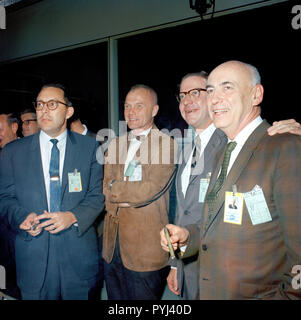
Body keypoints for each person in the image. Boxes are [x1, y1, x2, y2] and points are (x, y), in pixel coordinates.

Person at [161, 61, 301, 299]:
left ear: (256, 94)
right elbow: (215, 226)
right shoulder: (223, 153)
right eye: (212, 90)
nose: (214, 99)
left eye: (227, 87)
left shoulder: (286, 147)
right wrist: (186, 238)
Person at [0, 83, 105, 300]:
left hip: (79, 259)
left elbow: (97, 196)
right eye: (39, 105)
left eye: (52, 104)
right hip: (33, 260)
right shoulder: (13, 152)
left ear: (69, 111)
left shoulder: (90, 149)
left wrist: (72, 216)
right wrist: (22, 217)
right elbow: (4, 198)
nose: (44, 110)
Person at [102, 84, 176, 300]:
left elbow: (148, 190)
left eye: (138, 106)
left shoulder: (167, 145)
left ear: (154, 110)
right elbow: (105, 187)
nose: (130, 112)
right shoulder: (115, 144)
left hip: (145, 251)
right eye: (127, 106)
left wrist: (116, 190)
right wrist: (123, 194)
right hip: (111, 248)